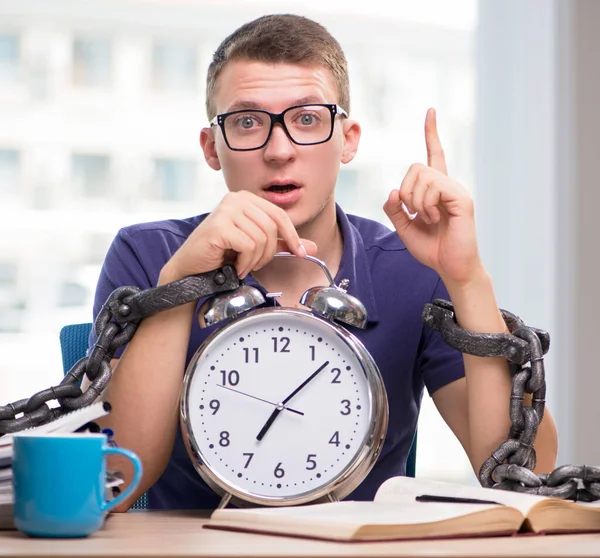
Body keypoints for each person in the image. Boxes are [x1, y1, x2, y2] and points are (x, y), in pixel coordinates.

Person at [88, 13, 558, 511]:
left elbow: (524, 476)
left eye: (307, 119)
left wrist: (467, 279)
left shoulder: (409, 270)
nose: (279, 149)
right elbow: (110, 484)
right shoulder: (151, 257)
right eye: (247, 122)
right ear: (212, 147)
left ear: (348, 139)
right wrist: (179, 284)